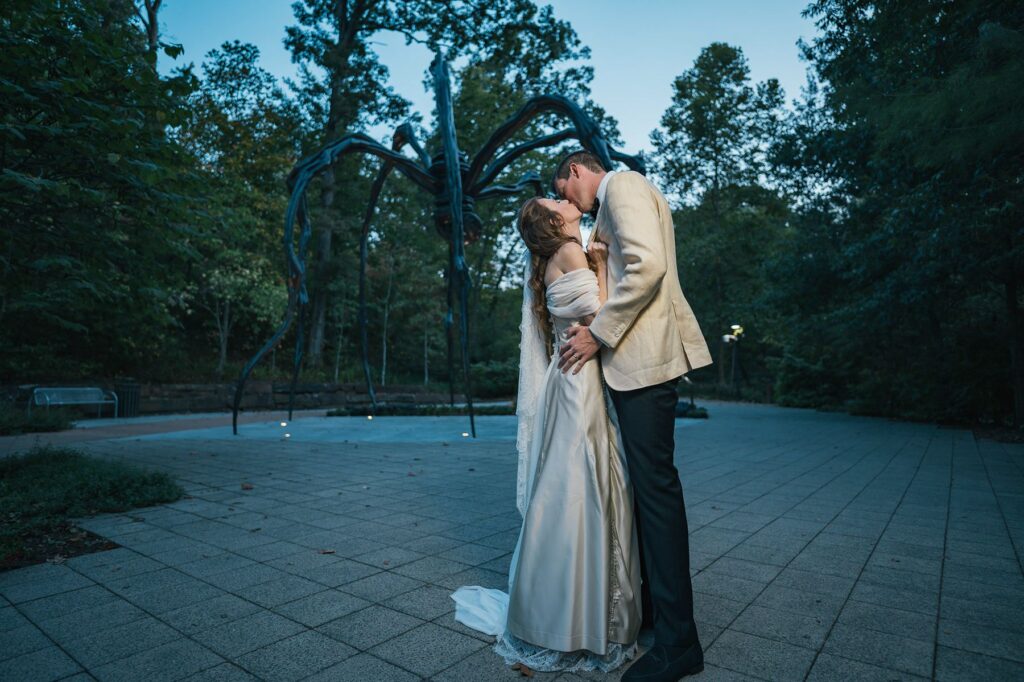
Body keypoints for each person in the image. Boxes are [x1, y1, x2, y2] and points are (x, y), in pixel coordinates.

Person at [450, 194, 643, 674]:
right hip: (578, 385)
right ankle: (581, 616)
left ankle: (564, 607)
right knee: (584, 487)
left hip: (568, 378)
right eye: (554, 200)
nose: (563, 198)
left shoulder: (552, 257)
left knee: (574, 484)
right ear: (553, 220)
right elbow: (601, 314)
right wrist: (600, 263)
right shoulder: (572, 252)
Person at [553, 150, 713, 682]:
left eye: (566, 189)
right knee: (648, 496)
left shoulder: (620, 187)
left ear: (577, 171)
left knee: (657, 496)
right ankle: (658, 618)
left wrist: (598, 334)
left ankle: (679, 644)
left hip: (643, 362)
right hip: (636, 364)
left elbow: (647, 266)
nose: (570, 202)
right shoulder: (619, 197)